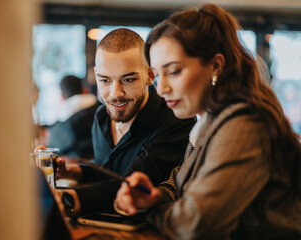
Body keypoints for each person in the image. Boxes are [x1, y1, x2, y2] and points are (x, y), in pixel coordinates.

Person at [114, 4, 301, 239]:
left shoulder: (244, 125)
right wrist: (153, 195)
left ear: (215, 66)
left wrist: (150, 209)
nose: (161, 89)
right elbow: (180, 182)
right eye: (158, 75)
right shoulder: (210, 118)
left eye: (174, 72)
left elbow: (195, 225)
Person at [53, 28, 196, 216]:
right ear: (96, 75)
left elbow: (130, 186)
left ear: (150, 75)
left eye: (128, 79)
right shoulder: (101, 117)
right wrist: (75, 172)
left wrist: (66, 198)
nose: (115, 94)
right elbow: (110, 170)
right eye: (105, 80)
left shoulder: (175, 120)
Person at [47, 75, 100, 159]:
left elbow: (53, 151)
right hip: (103, 165)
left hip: (73, 167)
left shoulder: (59, 125)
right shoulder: (102, 110)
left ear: (62, 96)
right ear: (85, 90)